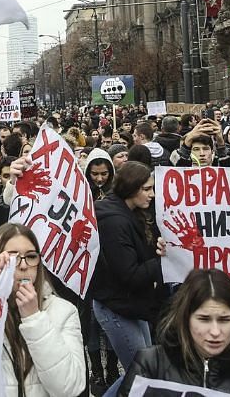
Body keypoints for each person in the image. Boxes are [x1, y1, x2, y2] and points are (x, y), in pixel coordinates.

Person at [116, 269, 230, 396]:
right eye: (204, 319)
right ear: (185, 319)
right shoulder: (150, 365)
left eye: (224, 320)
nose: (215, 332)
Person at [0, 224, 86, 397]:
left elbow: (70, 388)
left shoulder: (64, 311)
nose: (23, 266)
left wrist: (34, 319)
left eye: (31, 256)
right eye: (13, 258)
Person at [92, 162, 167, 397]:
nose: (152, 194)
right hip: (116, 307)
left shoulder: (129, 214)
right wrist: (161, 260)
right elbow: (130, 275)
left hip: (130, 304)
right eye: (147, 189)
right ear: (132, 188)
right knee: (142, 375)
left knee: (144, 372)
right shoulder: (114, 222)